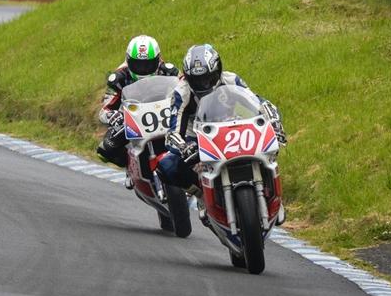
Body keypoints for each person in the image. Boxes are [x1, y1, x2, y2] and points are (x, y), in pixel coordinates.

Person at [156, 44, 287, 193]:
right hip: (198, 137)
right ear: (187, 77)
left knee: (268, 149)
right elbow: (173, 132)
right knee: (167, 165)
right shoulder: (181, 91)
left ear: (217, 71)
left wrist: (275, 123)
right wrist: (184, 147)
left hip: (234, 127)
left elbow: (260, 103)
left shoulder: (231, 79)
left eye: (207, 78)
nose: (203, 84)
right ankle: (200, 194)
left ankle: (269, 186)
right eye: (197, 80)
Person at [96, 35, 179, 167]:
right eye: (138, 64)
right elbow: (105, 109)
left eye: (148, 64)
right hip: (133, 119)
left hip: (164, 115)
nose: (143, 69)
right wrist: (113, 116)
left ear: (158, 60)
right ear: (128, 61)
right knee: (105, 150)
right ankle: (131, 167)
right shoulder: (119, 78)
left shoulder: (168, 71)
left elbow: (185, 93)